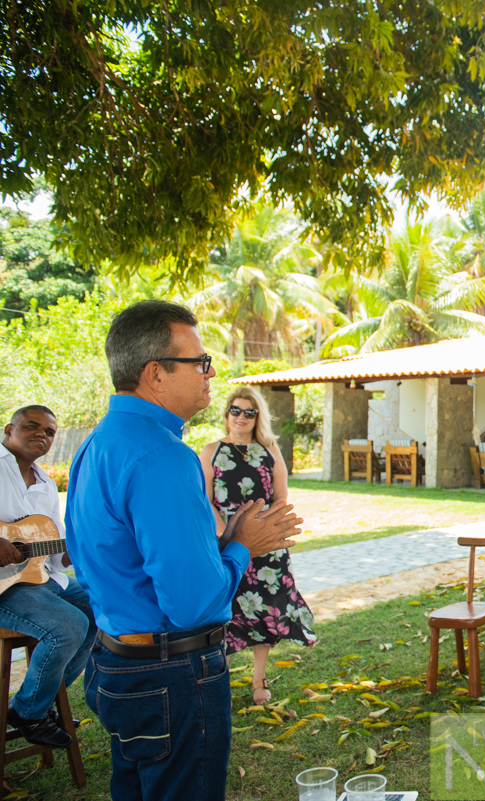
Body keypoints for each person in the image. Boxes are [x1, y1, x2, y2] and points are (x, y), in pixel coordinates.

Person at [65, 300, 303, 801]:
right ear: (155, 373)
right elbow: (194, 605)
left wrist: (218, 540)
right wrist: (241, 545)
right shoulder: (163, 456)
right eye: (199, 361)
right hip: (169, 673)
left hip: (114, 661)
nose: (210, 372)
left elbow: (105, 556)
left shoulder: (99, 443)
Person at [200, 387, 316, 705]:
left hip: (266, 546)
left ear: (257, 417)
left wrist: (266, 533)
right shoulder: (211, 451)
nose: (241, 417)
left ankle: (258, 677)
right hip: (225, 543)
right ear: (227, 413)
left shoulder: (269, 450)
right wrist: (229, 534)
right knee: (223, 609)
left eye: (249, 412)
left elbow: (281, 497)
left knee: (264, 607)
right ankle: (217, 676)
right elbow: (203, 499)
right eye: (236, 410)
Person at [0, 405, 96, 748]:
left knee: (100, 604)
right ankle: (28, 712)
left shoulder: (45, 482)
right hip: (4, 590)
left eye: (50, 431)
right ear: (10, 429)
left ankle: (41, 702)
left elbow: (53, 554)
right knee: (68, 625)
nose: (42, 434)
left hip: (40, 579)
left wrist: (79, 546)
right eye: (32, 426)